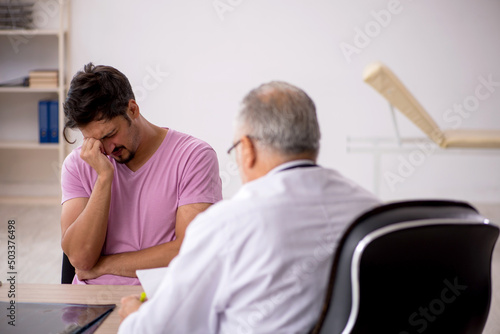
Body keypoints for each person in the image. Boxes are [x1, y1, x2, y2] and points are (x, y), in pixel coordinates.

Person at [118, 81, 380, 333]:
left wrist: (135, 314)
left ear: (247, 149)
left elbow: (160, 329)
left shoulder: (227, 224)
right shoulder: (372, 212)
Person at [60, 63, 222, 285]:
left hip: (160, 302)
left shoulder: (194, 156)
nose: (106, 150)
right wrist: (104, 179)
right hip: (89, 306)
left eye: (111, 134)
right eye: (95, 140)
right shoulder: (78, 164)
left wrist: (105, 266)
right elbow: (80, 259)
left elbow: (190, 249)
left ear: (133, 109)